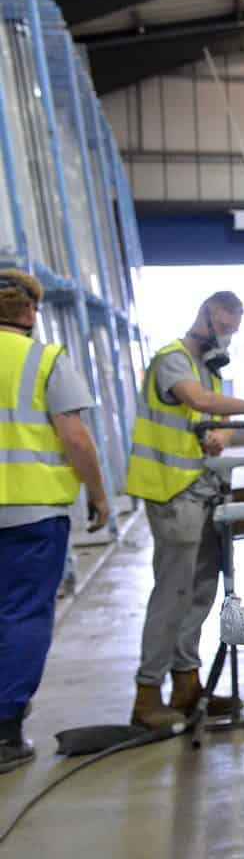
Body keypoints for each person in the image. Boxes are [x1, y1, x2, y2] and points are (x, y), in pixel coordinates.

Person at [126, 291, 244, 729]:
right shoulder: (172, 360)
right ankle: (147, 694)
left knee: (201, 590)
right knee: (172, 594)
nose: (226, 340)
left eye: (233, 332)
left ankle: (187, 683)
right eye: (224, 329)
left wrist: (221, 438)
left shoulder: (204, 370)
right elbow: (203, 404)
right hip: (172, 491)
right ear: (206, 317)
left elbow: (213, 422)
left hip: (201, 489)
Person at [0, 270, 111, 772]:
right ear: (28, 312)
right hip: (32, 513)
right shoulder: (44, 361)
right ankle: (5, 733)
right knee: (22, 615)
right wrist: (98, 493)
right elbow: (76, 437)